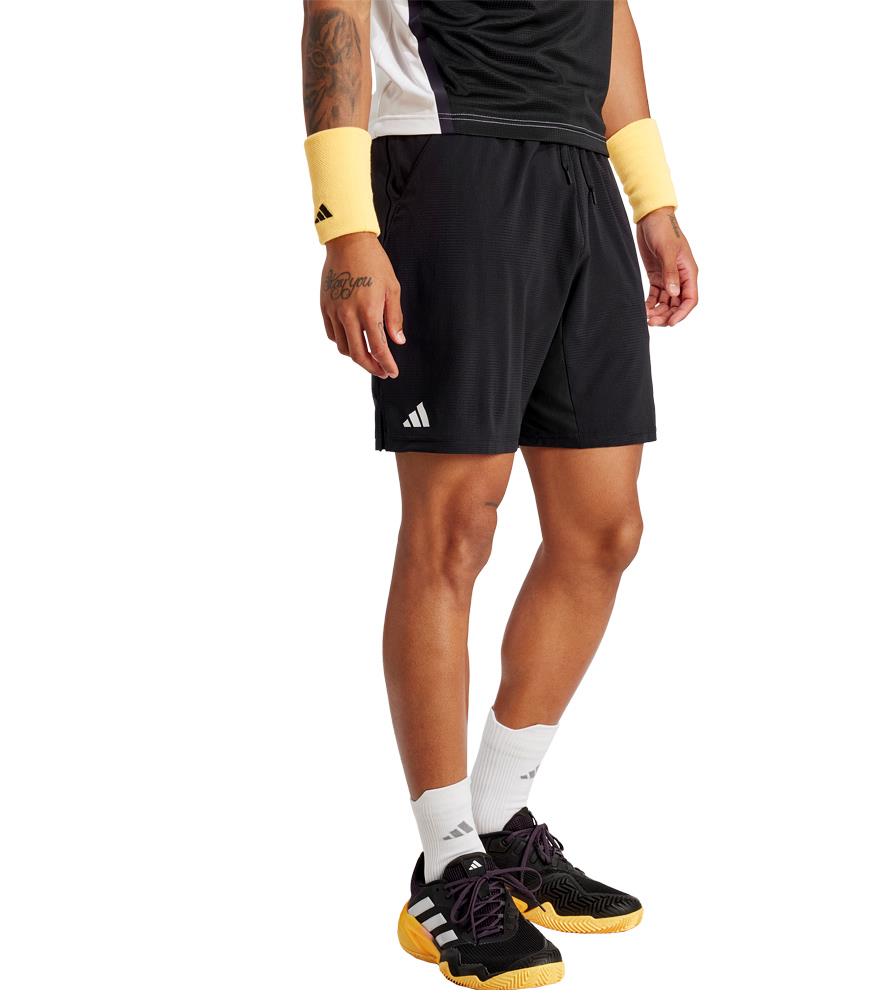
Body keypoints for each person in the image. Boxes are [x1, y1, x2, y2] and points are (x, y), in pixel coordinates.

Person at [301, 0, 698, 989]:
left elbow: (607, 16)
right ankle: (446, 864)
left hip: (579, 172)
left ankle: (496, 821)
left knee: (602, 529)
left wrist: (653, 204)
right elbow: (335, 14)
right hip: (451, 155)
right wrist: (345, 225)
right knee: (456, 526)